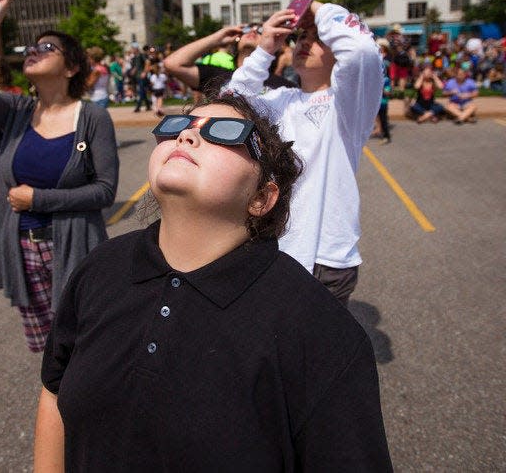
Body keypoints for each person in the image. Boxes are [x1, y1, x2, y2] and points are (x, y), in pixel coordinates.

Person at [35, 95, 392, 471]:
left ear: (262, 197)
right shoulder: (101, 267)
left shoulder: (319, 328)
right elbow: (53, 392)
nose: (187, 136)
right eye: (178, 126)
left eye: (226, 132)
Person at [0, 0, 119, 353]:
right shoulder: (16, 112)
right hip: (23, 250)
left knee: (84, 344)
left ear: (72, 67)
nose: (33, 51)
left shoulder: (91, 118)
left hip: (74, 247)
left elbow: (105, 192)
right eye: (30, 46)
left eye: (47, 47)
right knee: (49, 351)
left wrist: (38, 200)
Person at [222, 0, 383, 305]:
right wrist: (265, 49)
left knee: (320, 352)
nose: (305, 41)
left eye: (318, 37)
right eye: (300, 37)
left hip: (326, 259)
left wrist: (319, 10)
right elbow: (227, 107)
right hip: (274, 250)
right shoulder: (280, 99)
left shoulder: (347, 104)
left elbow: (362, 51)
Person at [163, 23, 295, 99]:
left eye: (260, 31)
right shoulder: (218, 76)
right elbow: (172, 64)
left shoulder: (284, 87)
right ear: (236, 41)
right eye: (247, 29)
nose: (253, 32)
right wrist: (216, 39)